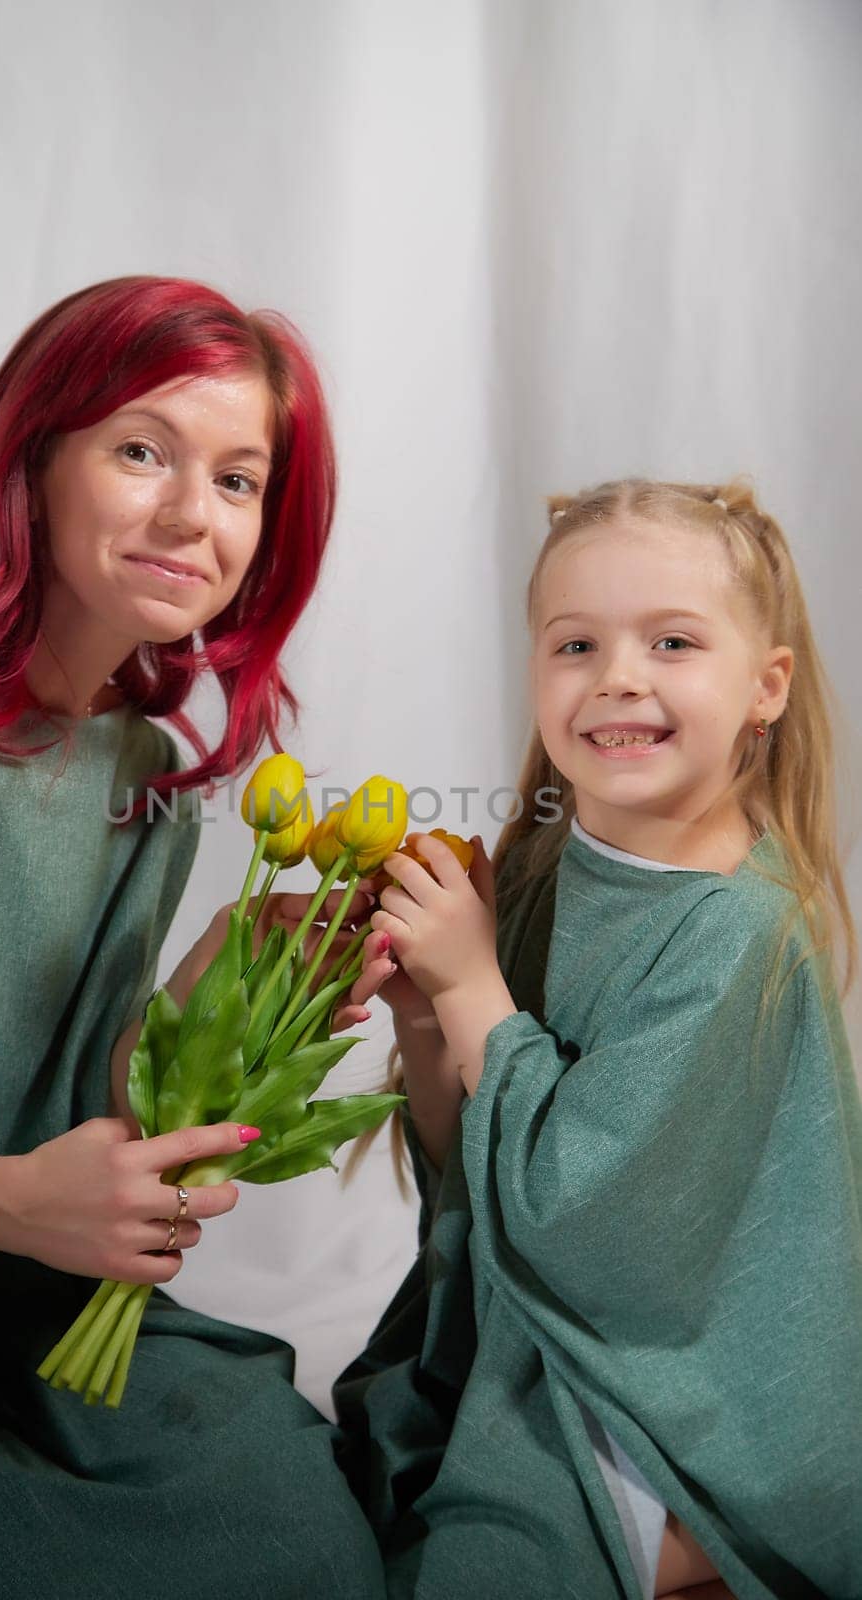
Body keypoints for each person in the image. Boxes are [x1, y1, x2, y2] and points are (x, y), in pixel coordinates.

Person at [0, 275, 384, 1600]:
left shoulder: (140, 782)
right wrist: (9, 1203)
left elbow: (58, 1115)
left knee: (299, 1529)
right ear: (32, 460)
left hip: (10, 1311)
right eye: (141, 450)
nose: (193, 515)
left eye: (239, 482)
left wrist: (211, 1000)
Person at [337, 479, 862, 1599]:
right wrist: (428, 1008)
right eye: (575, 643)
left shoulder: (735, 926)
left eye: (670, 640)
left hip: (675, 1376)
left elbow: (581, 1221)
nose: (616, 675)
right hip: (528, 1332)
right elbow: (466, 1158)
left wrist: (476, 981)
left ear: (762, 685)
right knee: (360, 1483)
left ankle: (703, 1528)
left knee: (481, 1561)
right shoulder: (537, 868)